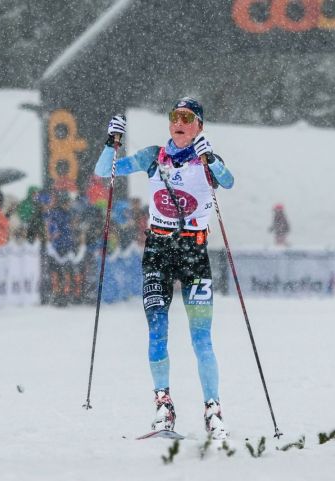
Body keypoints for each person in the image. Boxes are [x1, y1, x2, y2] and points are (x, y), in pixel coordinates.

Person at [94, 97, 234, 439]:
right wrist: (110, 143)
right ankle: (163, 406)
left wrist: (211, 159)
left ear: (199, 125)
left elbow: (227, 182)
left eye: (187, 117)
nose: (179, 122)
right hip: (158, 249)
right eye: (175, 116)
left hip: (193, 252)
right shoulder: (154, 156)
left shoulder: (205, 159)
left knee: (201, 338)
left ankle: (213, 409)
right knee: (157, 330)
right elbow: (104, 173)